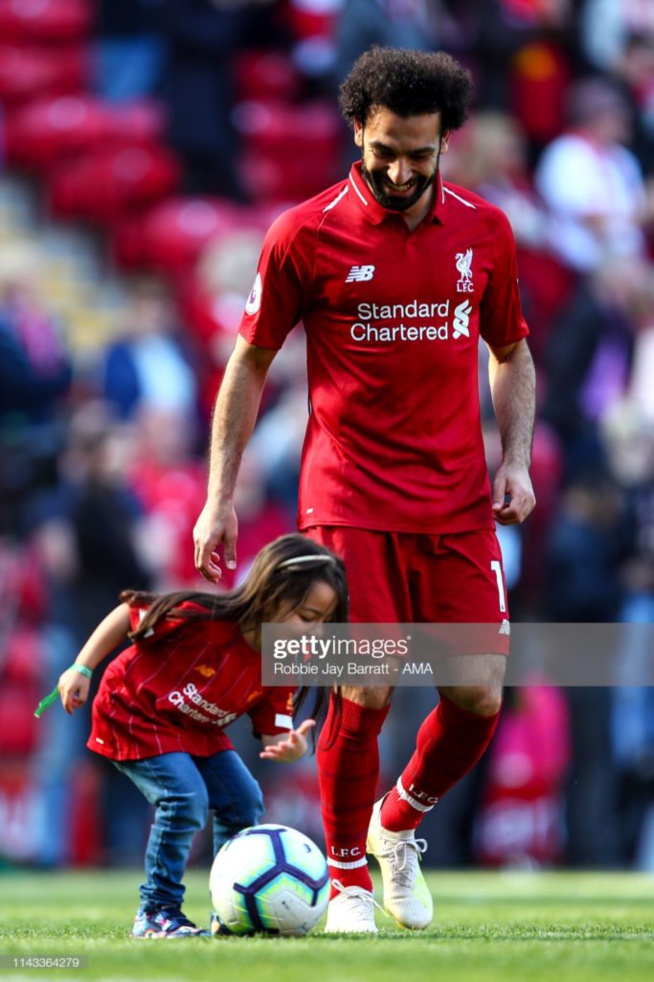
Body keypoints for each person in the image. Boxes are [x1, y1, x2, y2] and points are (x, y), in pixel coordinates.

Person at [193, 45, 536, 934]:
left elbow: (513, 352)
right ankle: (344, 882)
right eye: (383, 148)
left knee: (476, 697)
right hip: (346, 495)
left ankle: (397, 825)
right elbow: (251, 363)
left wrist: (515, 459)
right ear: (357, 131)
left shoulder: (485, 232)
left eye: (417, 154)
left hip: (457, 500)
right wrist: (219, 494)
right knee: (366, 683)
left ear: (444, 145)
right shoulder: (304, 233)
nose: (397, 169)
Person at [56, 533, 348, 938]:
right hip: (133, 711)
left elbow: (273, 736)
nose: (315, 633)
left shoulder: (281, 661)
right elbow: (129, 613)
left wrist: (290, 748)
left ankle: (232, 912)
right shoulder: (201, 615)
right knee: (185, 797)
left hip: (193, 729)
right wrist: (82, 668)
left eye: (324, 622)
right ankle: (156, 912)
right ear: (270, 595)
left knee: (245, 801)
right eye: (306, 616)